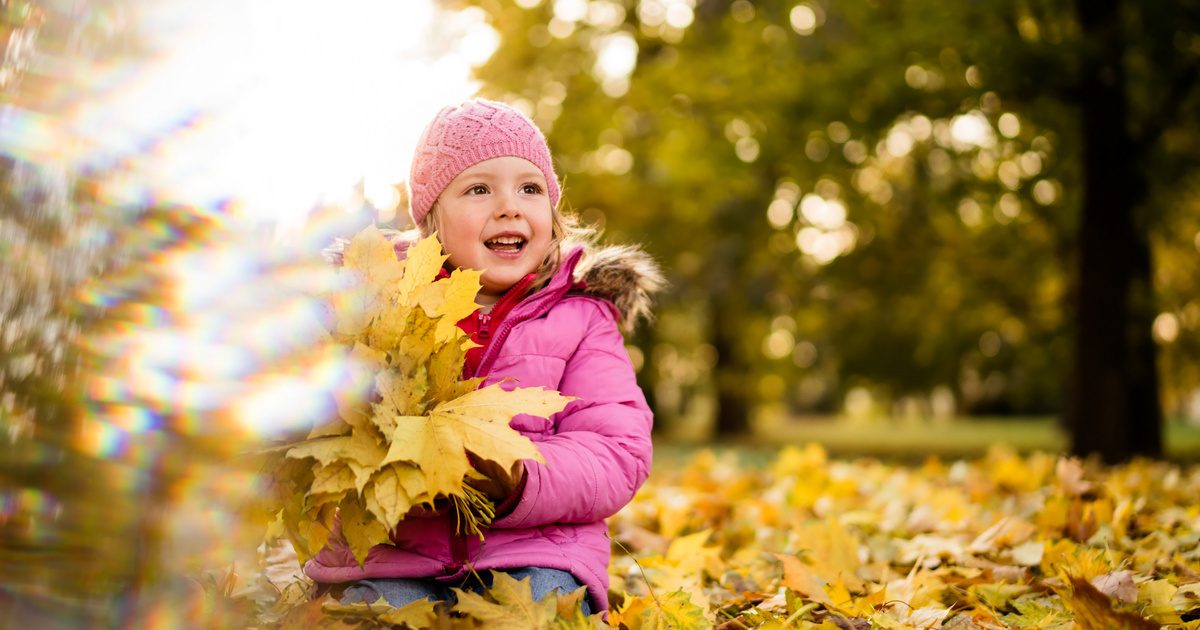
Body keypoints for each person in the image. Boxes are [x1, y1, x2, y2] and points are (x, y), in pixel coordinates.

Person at [304, 99, 663, 615]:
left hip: (538, 553)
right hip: (391, 553)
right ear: (432, 221)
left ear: (553, 214)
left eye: (530, 189)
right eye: (479, 189)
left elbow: (617, 449)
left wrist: (521, 478)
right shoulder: (382, 305)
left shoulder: (582, 317)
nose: (510, 206)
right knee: (370, 616)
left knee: (542, 612)